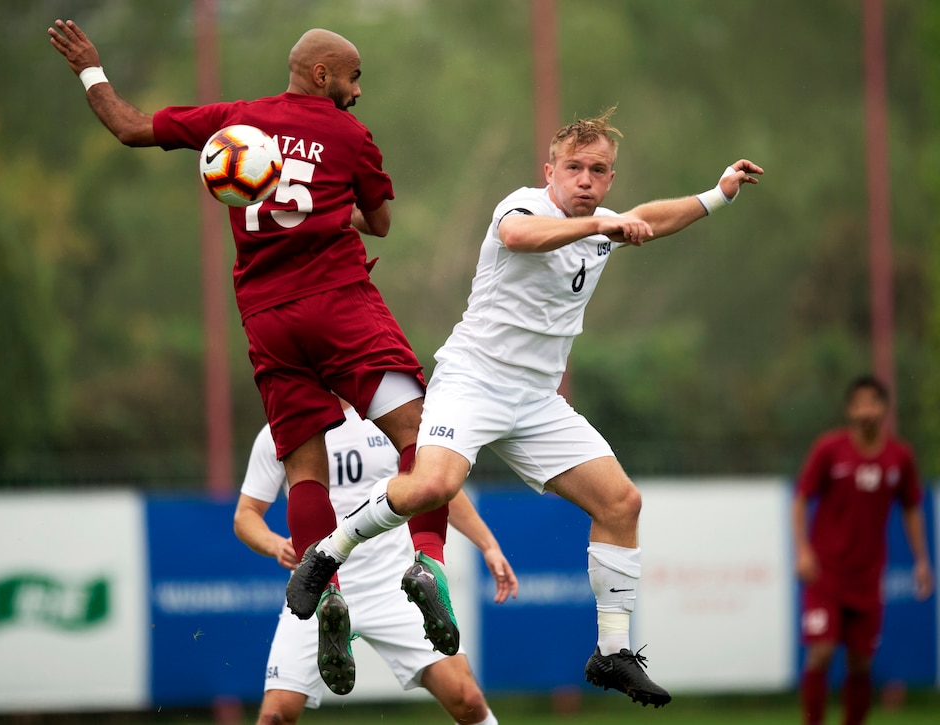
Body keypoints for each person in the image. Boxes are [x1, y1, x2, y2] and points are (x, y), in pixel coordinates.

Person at [287, 106, 764, 708]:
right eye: (574, 167)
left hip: (537, 402)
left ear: (611, 178)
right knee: (433, 485)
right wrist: (601, 229)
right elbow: (520, 238)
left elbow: (650, 218)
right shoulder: (525, 206)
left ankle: (612, 652)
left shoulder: (605, 222)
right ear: (550, 171)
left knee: (621, 503)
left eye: (599, 170)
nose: (586, 179)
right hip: (472, 381)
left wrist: (716, 193)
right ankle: (329, 552)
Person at [48, 20, 449, 690]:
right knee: (422, 435)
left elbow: (128, 126)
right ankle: (428, 561)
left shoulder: (235, 121)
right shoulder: (349, 135)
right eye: (353, 78)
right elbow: (378, 222)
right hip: (339, 304)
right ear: (321, 74)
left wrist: (91, 68)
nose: (357, 93)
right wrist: (327, 210)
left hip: (267, 318)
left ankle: (328, 598)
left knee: (303, 469)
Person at [235, 399, 517, 723]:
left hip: (394, 587)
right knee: (276, 715)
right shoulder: (282, 427)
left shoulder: (388, 414)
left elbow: (435, 486)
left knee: (466, 698)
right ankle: (332, 610)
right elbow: (245, 515)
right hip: (319, 590)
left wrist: (489, 545)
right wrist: (273, 543)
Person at [792, 375, 933, 725]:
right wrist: (803, 550)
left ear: (885, 408)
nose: (866, 410)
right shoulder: (830, 449)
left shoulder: (900, 457)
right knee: (821, 652)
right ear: (849, 410)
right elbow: (801, 498)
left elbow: (912, 507)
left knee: (861, 662)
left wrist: (921, 561)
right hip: (825, 573)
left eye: (873, 402)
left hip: (868, 577)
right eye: (859, 403)